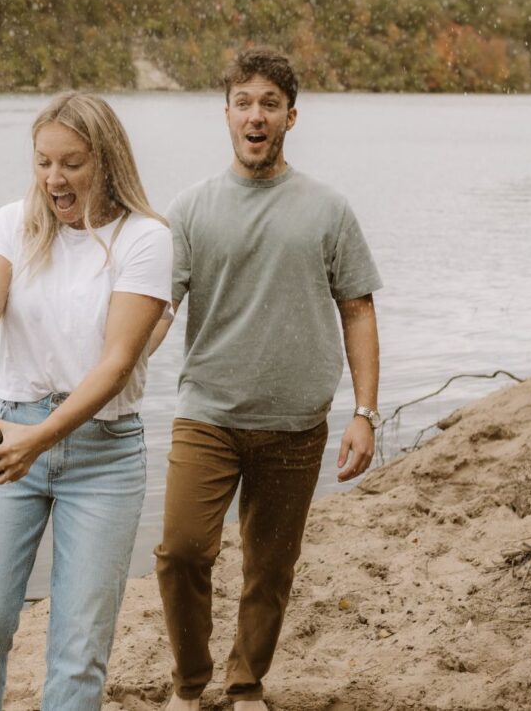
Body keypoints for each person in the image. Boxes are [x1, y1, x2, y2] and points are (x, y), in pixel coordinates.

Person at [0, 92, 172, 711]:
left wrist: (41, 440)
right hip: (5, 438)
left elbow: (118, 363)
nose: (54, 179)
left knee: (78, 650)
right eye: (43, 162)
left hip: (104, 457)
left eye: (71, 163)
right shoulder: (11, 224)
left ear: (107, 160)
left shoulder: (146, 239)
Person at [150, 48, 382, 710]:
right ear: (225, 114)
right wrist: (121, 367)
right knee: (182, 551)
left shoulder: (328, 208)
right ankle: (191, 683)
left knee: (270, 569)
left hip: (296, 423)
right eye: (244, 102)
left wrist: (365, 412)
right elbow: (161, 309)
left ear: (291, 116)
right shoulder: (191, 208)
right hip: (208, 414)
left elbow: (358, 309)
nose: (256, 116)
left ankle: (246, 684)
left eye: (270, 104)